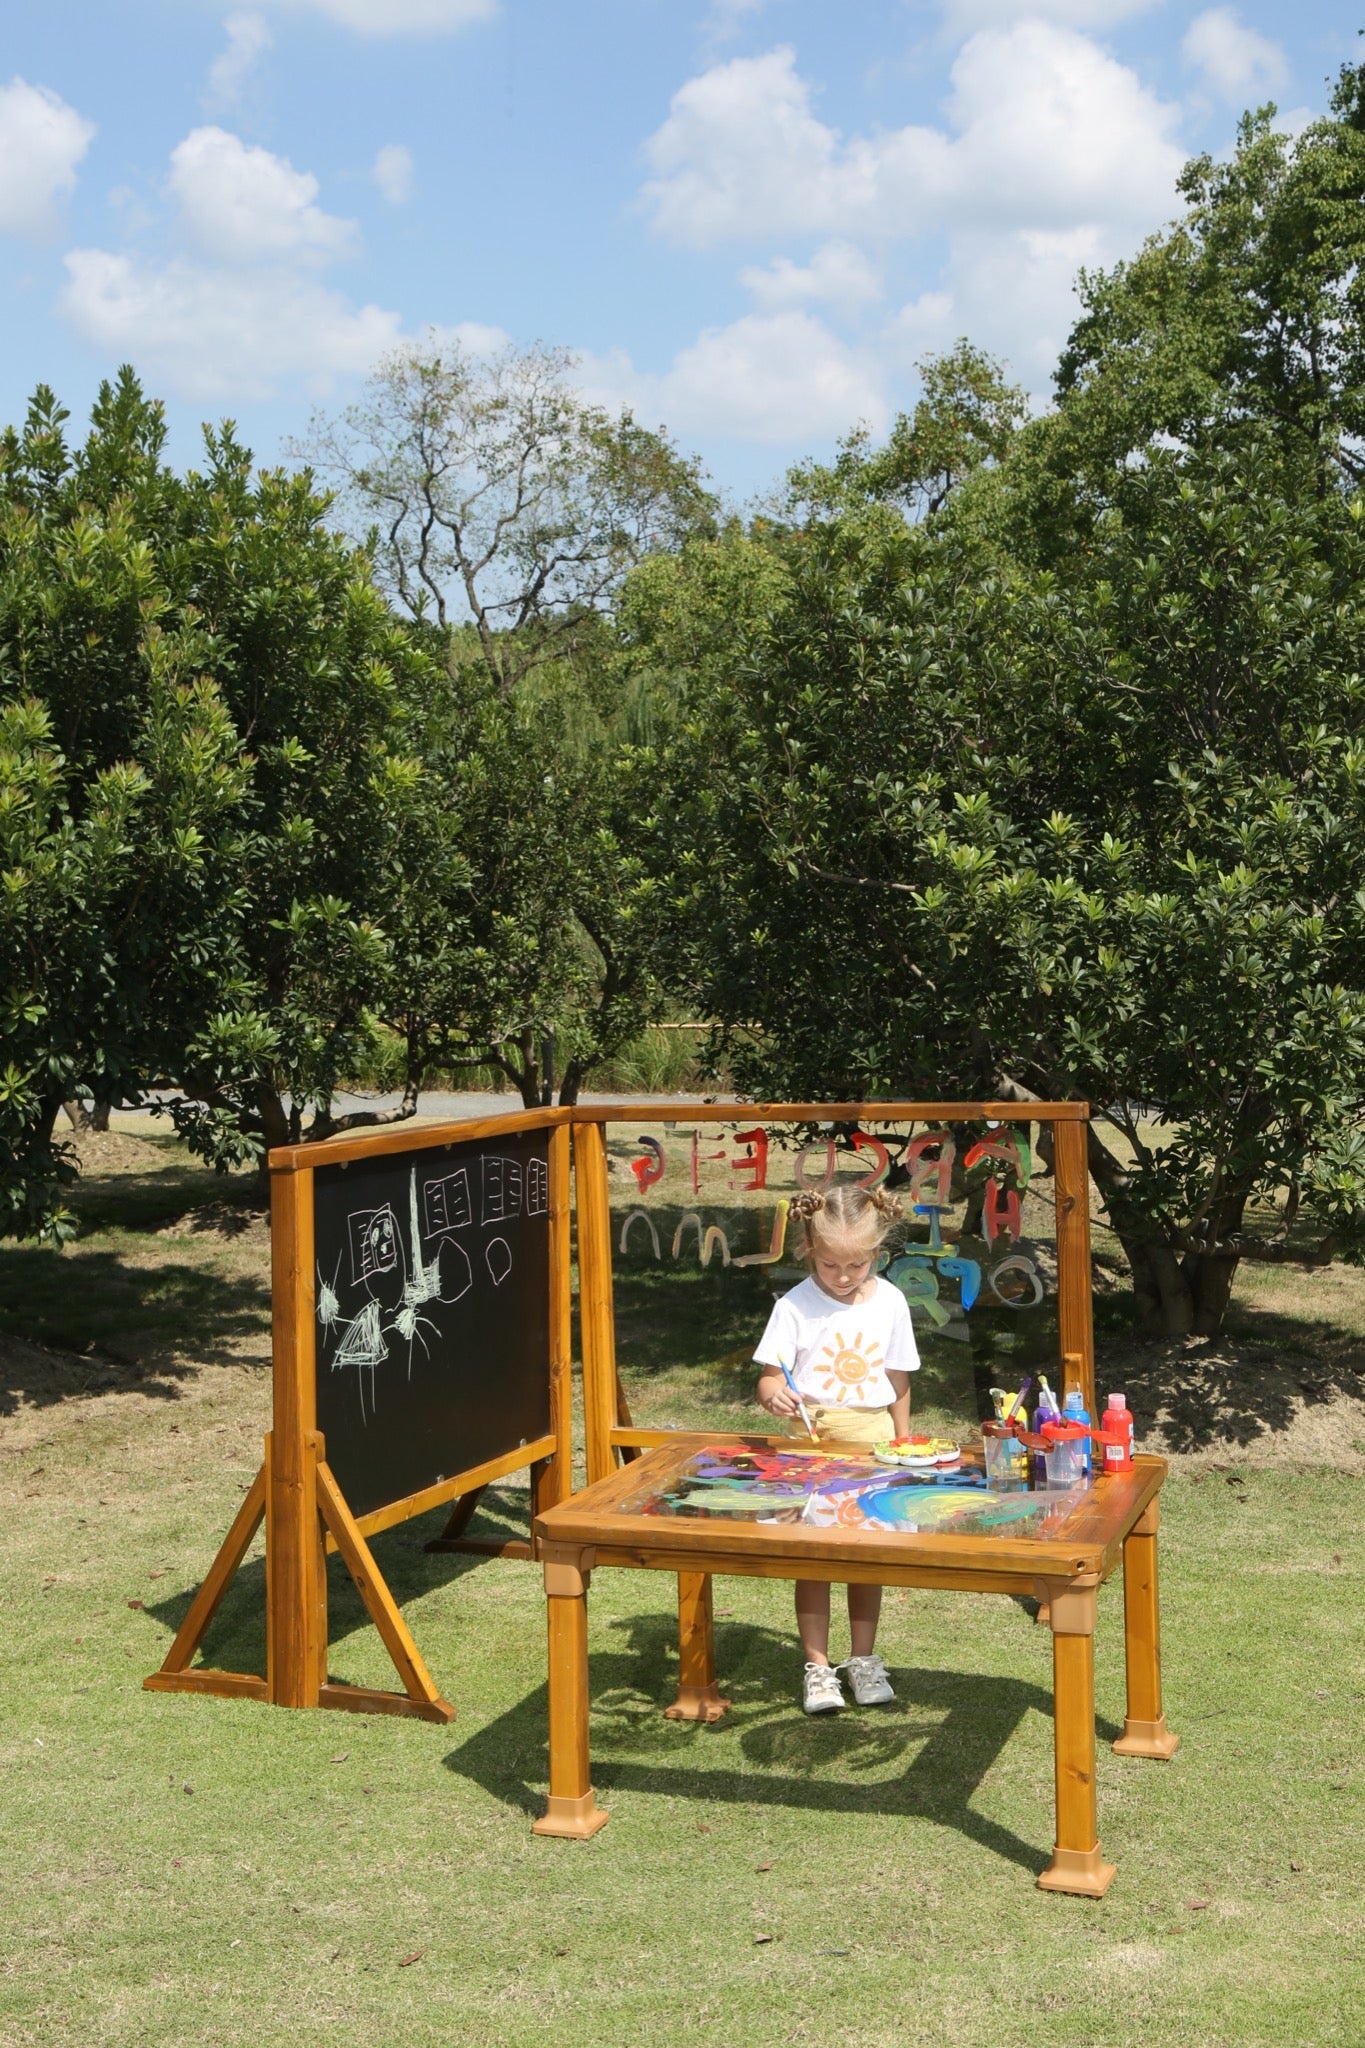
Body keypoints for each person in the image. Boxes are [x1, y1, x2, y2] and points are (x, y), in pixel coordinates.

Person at [754, 1183, 918, 1715]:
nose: (844, 1278)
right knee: (815, 1559)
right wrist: (775, 1394)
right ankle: (819, 1669)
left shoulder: (891, 1301)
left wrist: (901, 1441)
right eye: (830, 1266)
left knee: (865, 1558)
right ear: (808, 1249)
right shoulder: (793, 1306)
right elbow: (769, 1378)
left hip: (872, 1444)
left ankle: (863, 1661)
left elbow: (899, 1378)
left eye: (857, 1265)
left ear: (877, 1253)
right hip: (811, 1443)